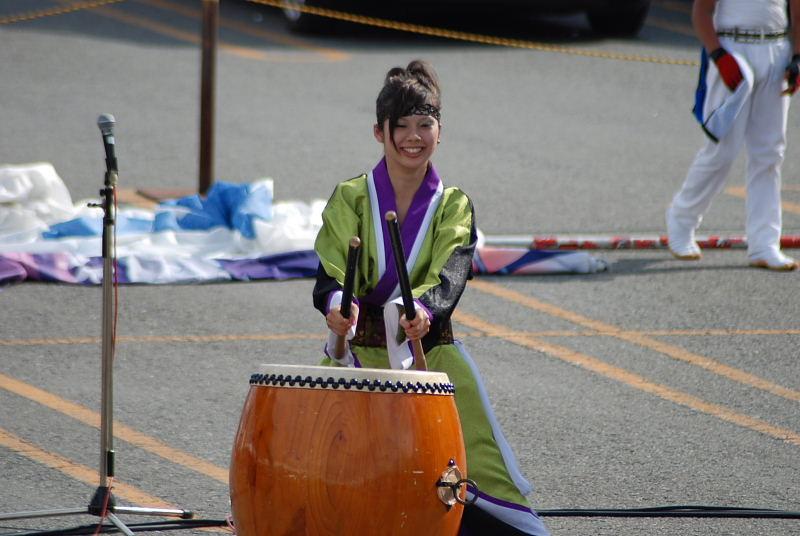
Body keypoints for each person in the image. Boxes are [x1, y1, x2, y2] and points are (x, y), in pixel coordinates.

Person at [312, 60, 550, 536]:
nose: (413, 136)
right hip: (359, 354)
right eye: (400, 126)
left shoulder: (453, 204)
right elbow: (331, 272)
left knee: (476, 456)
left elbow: (451, 272)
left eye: (425, 125)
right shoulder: (352, 198)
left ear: (441, 131)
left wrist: (422, 310)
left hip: (432, 353)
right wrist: (340, 306)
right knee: (328, 461)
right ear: (378, 132)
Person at [666, 0, 800, 270]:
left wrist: (797, 57)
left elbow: (797, 13)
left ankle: (764, 243)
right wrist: (717, 55)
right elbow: (702, 12)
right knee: (722, 150)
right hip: (733, 50)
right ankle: (682, 220)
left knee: (770, 153)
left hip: (776, 50)